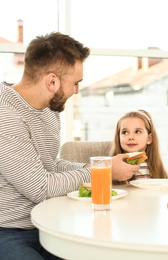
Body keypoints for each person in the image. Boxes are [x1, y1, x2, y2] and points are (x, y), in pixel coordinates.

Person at [0, 32, 139, 260]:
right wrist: (102, 172)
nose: (76, 91)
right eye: (75, 83)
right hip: (9, 230)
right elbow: (41, 188)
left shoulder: (48, 108)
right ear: (52, 81)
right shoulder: (6, 115)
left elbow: (48, 164)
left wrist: (95, 166)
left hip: (48, 224)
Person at [110, 109, 168, 182]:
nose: (131, 137)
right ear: (118, 138)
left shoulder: (156, 169)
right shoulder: (112, 169)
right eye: (125, 132)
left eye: (137, 132)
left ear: (149, 138)